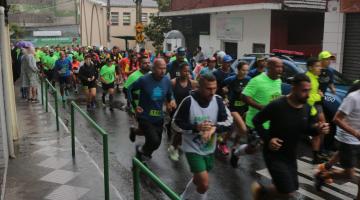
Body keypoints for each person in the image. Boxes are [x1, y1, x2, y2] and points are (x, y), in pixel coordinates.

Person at [251, 73, 330, 200]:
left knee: (291, 189)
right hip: (274, 154)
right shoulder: (277, 105)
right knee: (287, 192)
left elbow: (308, 129)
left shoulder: (307, 108)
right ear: (294, 89)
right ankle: (263, 193)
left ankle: (263, 193)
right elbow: (257, 120)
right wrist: (268, 139)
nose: (308, 94)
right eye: (304, 91)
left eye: (309, 90)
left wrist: (319, 129)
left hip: (291, 155)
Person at [172, 73, 233, 200]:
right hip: (192, 149)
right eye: (208, 89)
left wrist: (214, 128)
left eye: (214, 88)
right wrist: (196, 127)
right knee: (204, 184)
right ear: (199, 87)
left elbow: (229, 122)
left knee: (197, 179)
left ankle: (182, 197)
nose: (212, 92)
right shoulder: (188, 102)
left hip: (209, 149)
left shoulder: (218, 100)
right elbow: (175, 124)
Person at [314, 82, 360, 194]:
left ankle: (325, 167)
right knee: (349, 174)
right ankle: (323, 176)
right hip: (349, 140)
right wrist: (356, 133)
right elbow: (337, 119)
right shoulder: (353, 98)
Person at [128, 58, 176, 161]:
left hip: (158, 117)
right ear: (153, 69)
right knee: (153, 140)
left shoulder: (167, 80)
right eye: (160, 68)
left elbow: (169, 94)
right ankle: (142, 153)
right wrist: (135, 107)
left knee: (157, 143)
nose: (163, 71)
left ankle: (136, 136)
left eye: (164, 68)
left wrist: (171, 100)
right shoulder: (144, 80)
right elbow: (129, 89)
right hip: (144, 116)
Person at [241, 57, 283, 154]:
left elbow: (275, 96)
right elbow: (244, 96)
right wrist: (261, 107)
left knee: (272, 147)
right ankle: (237, 153)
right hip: (255, 122)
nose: (280, 69)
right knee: (252, 149)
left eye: (281, 67)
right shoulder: (257, 80)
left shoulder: (279, 80)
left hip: (271, 123)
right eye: (277, 67)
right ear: (269, 67)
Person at [221, 61, 252, 168]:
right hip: (233, 108)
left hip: (244, 108)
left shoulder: (249, 80)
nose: (245, 72)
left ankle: (231, 145)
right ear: (238, 70)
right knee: (243, 129)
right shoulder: (231, 79)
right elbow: (221, 86)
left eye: (247, 70)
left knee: (233, 128)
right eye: (243, 70)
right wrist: (224, 95)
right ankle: (229, 146)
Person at [167, 62, 198, 161]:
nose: (187, 73)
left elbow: (197, 94)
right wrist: (169, 103)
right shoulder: (173, 82)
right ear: (179, 71)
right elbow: (168, 94)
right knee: (180, 131)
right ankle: (173, 148)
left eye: (188, 71)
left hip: (188, 111)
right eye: (185, 71)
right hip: (176, 111)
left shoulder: (193, 83)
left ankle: (175, 146)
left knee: (183, 132)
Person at [305, 57, 328, 164]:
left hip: (312, 109)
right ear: (310, 67)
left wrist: (318, 92)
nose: (320, 68)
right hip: (304, 111)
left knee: (317, 132)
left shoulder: (314, 77)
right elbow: (306, 96)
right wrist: (319, 96)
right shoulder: (307, 79)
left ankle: (316, 156)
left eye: (320, 66)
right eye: (317, 66)